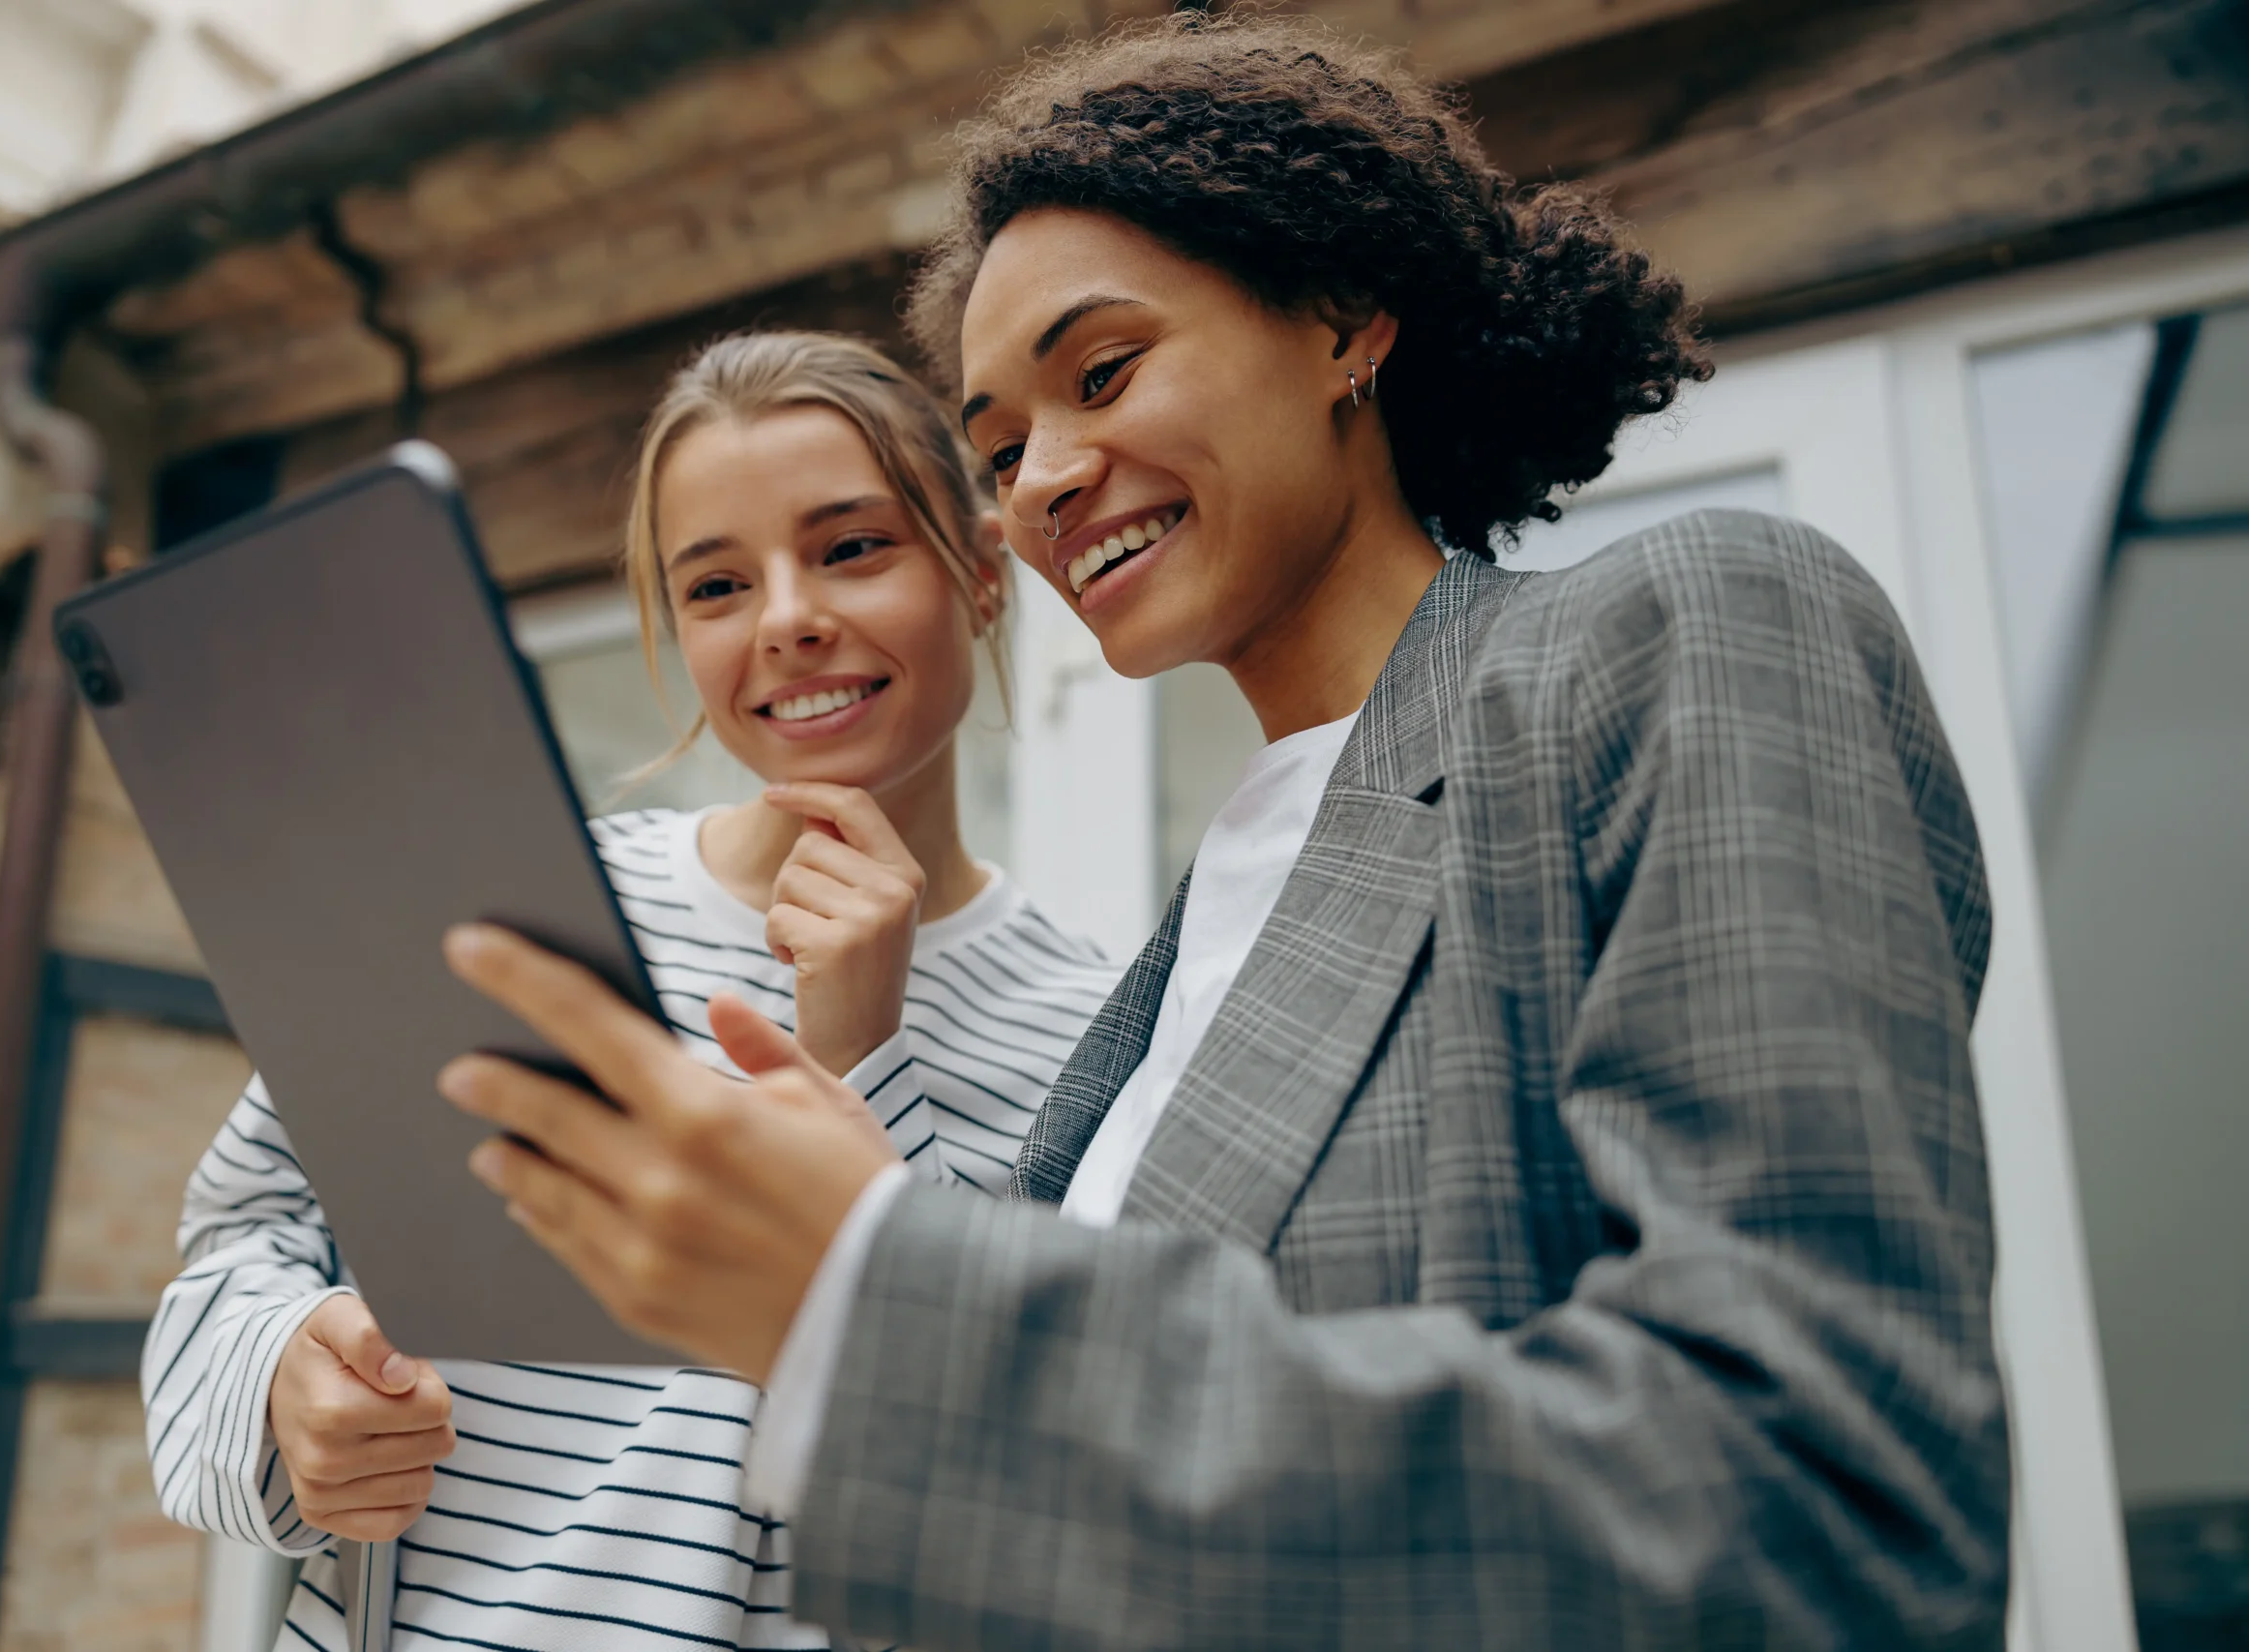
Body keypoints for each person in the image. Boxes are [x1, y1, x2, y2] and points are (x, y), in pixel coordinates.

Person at [435, 15, 2013, 1650]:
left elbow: (1829, 1508)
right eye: (995, 444)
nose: (1042, 475)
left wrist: (873, 1292)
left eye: (1101, 371)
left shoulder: (1676, 630)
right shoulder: (1185, 949)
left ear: (1345, 320)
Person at [141, 331, 1122, 1651]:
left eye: (851, 548)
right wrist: (281, 1376)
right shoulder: (508, 908)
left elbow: (1032, 1503)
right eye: (716, 584)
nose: (786, 618)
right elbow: (237, 1244)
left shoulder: (1102, 1026)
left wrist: (861, 1066)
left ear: (985, 578)